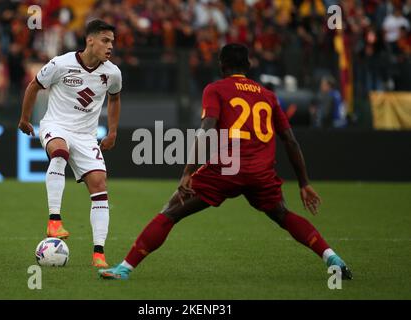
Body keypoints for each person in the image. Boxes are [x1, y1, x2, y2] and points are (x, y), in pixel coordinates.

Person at [98, 43, 352, 280]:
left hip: (227, 168)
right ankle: (332, 258)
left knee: (172, 211)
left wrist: (189, 171)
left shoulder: (216, 89)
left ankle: (124, 268)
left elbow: (207, 128)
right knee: (283, 215)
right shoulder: (269, 96)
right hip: (261, 172)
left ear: (221, 65)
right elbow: (290, 141)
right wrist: (304, 183)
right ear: (249, 65)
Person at [18, 20, 122, 268]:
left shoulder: (113, 73)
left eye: (112, 43)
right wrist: (24, 118)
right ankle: (54, 220)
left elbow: (115, 99)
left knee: (99, 185)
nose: (110, 47)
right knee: (60, 152)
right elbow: (34, 86)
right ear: (90, 40)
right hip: (56, 125)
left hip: (86, 136)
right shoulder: (61, 64)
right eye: (105, 41)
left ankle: (99, 254)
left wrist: (113, 131)